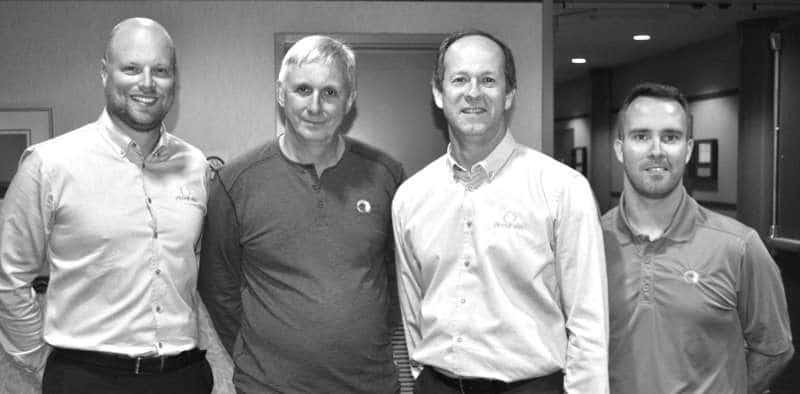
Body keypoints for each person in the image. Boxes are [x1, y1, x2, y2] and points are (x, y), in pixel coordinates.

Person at [0, 18, 216, 393]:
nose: (146, 83)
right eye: (131, 68)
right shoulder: (50, 164)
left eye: (160, 70)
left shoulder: (195, 165)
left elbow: (192, 270)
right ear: (105, 73)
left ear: (174, 80)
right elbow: (9, 276)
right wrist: (39, 360)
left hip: (183, 376)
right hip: (88, 377)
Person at [392, 30, 609, 394]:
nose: (473, 92)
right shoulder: (411, 197)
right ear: (438, 92)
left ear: (509, 94)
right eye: (459, 79)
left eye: (488, 80)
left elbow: (589, 325)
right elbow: (412, 311)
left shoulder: (561, 189)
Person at [198, 35, 403, 393]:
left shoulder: (386, 175)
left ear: (350, 100)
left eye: (331, 92)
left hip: (369, 385)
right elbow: (219, 288)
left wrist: (361, 335)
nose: (315, 105)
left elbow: (399, 276)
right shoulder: (235, 182)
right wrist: (266, 354)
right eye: (303, 89)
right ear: (281, 94)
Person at [603, 82, 794, 394]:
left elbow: (775, 349)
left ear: (688, 149)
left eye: (671, 137)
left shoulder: (739, 247)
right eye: (640, 136)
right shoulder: (588, 243)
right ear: (619, 148)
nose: (656, 150)